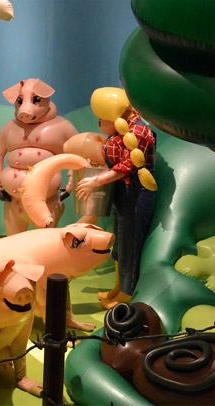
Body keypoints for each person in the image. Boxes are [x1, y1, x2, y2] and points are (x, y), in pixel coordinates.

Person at [75, 87, 157, 309]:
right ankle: (119, 287)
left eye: (101, 120)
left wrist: (95, 181)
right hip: (122, 191)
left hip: (136, 191)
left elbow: (127, 167)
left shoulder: (138, 132)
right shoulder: (119, 132)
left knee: (130, 243)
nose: (99, 125)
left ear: (113, 117)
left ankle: (127, 293)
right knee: (120, 242)